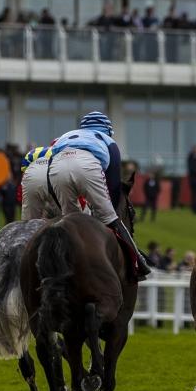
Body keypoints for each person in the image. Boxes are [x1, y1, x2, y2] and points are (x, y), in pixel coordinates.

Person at [46, 112, 151, 280]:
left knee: (71, 221)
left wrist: (57, 198)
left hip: (57, 168)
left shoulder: (65, 136)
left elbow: (49, 169)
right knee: (111, 218)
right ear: (107, 130)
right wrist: (110, 209)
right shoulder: (108, 141)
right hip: (87, 166)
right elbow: (113, 183)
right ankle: (138, 263)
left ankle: (64, 263)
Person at [18, 145, 57, 220]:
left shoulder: (30, 156)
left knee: (29, 221)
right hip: (54, 177)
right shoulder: (57, 152)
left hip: (31, 180)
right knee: (65, 217)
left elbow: (21, 194)